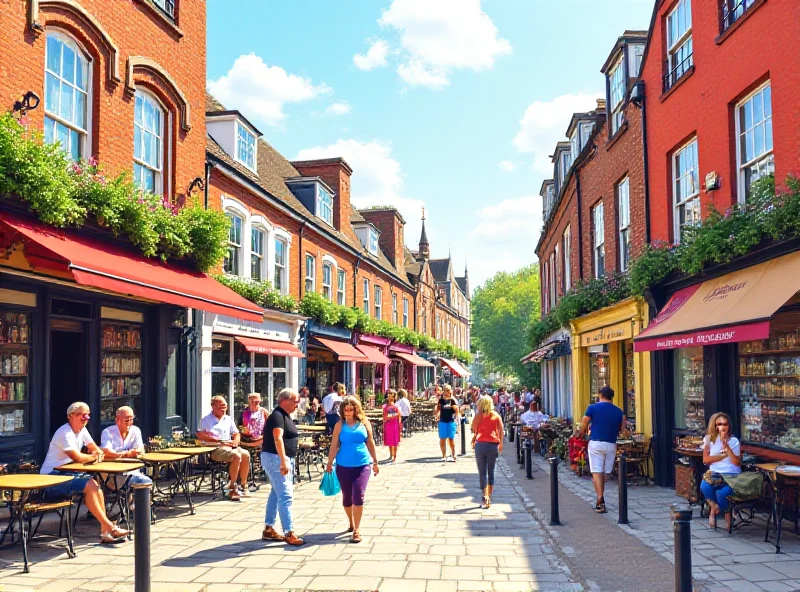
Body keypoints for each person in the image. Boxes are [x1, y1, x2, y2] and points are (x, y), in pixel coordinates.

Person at [41, 402, 129, 544]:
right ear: (71, 416)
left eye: (88, 415)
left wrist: (96, 454)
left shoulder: (82, 430)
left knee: (96, 487)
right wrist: (94, 456)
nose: (86, 418)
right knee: (90, 485)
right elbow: (78, 457)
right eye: (82, 415)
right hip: (51, 477)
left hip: (67, 473)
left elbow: (97, 449)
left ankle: (106, 532)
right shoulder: (65, 432)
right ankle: (110, 527)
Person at [326, 396, 380, 543]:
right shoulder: (339, 424)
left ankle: (357, 529)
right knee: (347, 497)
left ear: (356, 409)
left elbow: (370, 442)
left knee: (359, 495)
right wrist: (329, 462)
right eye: (346, 409)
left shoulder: (364, 422)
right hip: (343, 465)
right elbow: (334, 444)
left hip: (362, 465)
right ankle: (351, 522)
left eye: (351, 409)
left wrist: (375, 461)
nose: (348, 412)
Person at [261, 388, 305, 546]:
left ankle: (269, 528)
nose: (297, 404)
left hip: (278, 458)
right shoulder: (278, 416)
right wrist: (283, 460)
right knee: (285, 495)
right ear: (284, 401)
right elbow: (277, 437)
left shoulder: (284, 415)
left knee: (275, 493)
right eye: (295, 401)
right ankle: (289, 532)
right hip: (276, 458)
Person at [576, 386, 625, 513]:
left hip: (596, 442)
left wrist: (581, 433)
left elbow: (584, 423)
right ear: (612, 397)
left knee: (596, 472)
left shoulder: (592, 408)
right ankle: (600, 495)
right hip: (610, 444)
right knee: (606, 473)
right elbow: (623, 431)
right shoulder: (619, 412)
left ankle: (600, 498)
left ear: (600, 395)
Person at [197, 396, 251, 501]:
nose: (223, 409)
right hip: (215, 449)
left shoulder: (228, 419)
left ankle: (243, 485)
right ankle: (232, 487)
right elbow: (200, 435)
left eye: (225, 407)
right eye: (220, 407)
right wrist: (216, 440)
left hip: (229, 446)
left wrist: (235, 441)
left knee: (246, 454)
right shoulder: (206, 420)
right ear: (213, 407)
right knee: (236, 455)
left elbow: (236, 433)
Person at [700, 412, 742, 531]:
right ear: (715, 425)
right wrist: (722, 457)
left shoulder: (734, 441)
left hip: (731, 474)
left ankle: (724, 514)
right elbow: (706, 459)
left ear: (729, 426)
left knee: (722, 494)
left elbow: (736, 462)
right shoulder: (709, 439)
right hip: (715, 473)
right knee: (705, 487)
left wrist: (727, 448)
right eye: (719, 424)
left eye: (725, 424)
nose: (723, 427)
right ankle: (715, 508)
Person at [100, 406, 153, 489]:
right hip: (114, 473)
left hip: (132, 470)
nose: (130, 423)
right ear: (117, 420)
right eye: (127, 420)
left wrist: (121, 454)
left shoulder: (136, 430)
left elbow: (139, 450)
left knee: (145, 482)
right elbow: (107, 452)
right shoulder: (107, 432)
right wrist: (130, 453)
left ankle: (134, 501)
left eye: (131, 419)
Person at [471, 395, 504, 509]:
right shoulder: (496, 416)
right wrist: (501, 444)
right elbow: (501, 430)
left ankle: (485, 496)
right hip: (493, 445)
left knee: (482, 472)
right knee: (491, 471)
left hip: (481, 445)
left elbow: (473, 428)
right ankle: (489, 496)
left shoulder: (479, 416)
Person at [436, 384, 460, 462]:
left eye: (448, 391)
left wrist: (456, 409)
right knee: (442, 439)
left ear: (451, 392)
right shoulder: (441, 400)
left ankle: (453, 454)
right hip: (442, 421)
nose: (447, 393)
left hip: (451, 421)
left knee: (451, 439)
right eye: (446, 391)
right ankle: (444, 455)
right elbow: (438, 409)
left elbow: (457, 411)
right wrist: (437, 415)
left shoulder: (453, 400)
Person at [382, 390, 402, 464]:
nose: (389, 395)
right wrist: (393, 416)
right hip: (388, 425)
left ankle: (395, 457)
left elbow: (399, 415)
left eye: (391, 394)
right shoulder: (385, 406)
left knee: (395, 441)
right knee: (390, 440)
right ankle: (391, 455)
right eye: (388, 394)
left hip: (395, 425)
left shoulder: (396, 406)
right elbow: (384, 417)